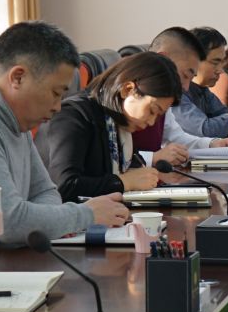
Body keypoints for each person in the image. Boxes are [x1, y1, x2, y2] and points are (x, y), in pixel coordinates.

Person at [0, 21, 130, 259]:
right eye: (55, 93)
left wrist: (52, 222)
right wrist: (85, 215)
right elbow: (7, 222)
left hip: (6, 259)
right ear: (18, 77)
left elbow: (46, 191)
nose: (58, 107)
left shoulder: (14, 115)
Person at [40, 53, 185, 201]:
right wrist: (123, 182)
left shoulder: (118, 126)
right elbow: (64, 186)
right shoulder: (74, 116)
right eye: (152, 111)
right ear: (127, 90)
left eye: (158, 116)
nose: (152, 122)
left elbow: (133, 167)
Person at [171, 25, 228, 143]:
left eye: (222, 63)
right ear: (193, 60)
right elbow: (204, 130)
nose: (220, 70)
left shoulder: (203, 90)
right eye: (215, 62)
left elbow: (226, 114)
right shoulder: (175, 91)